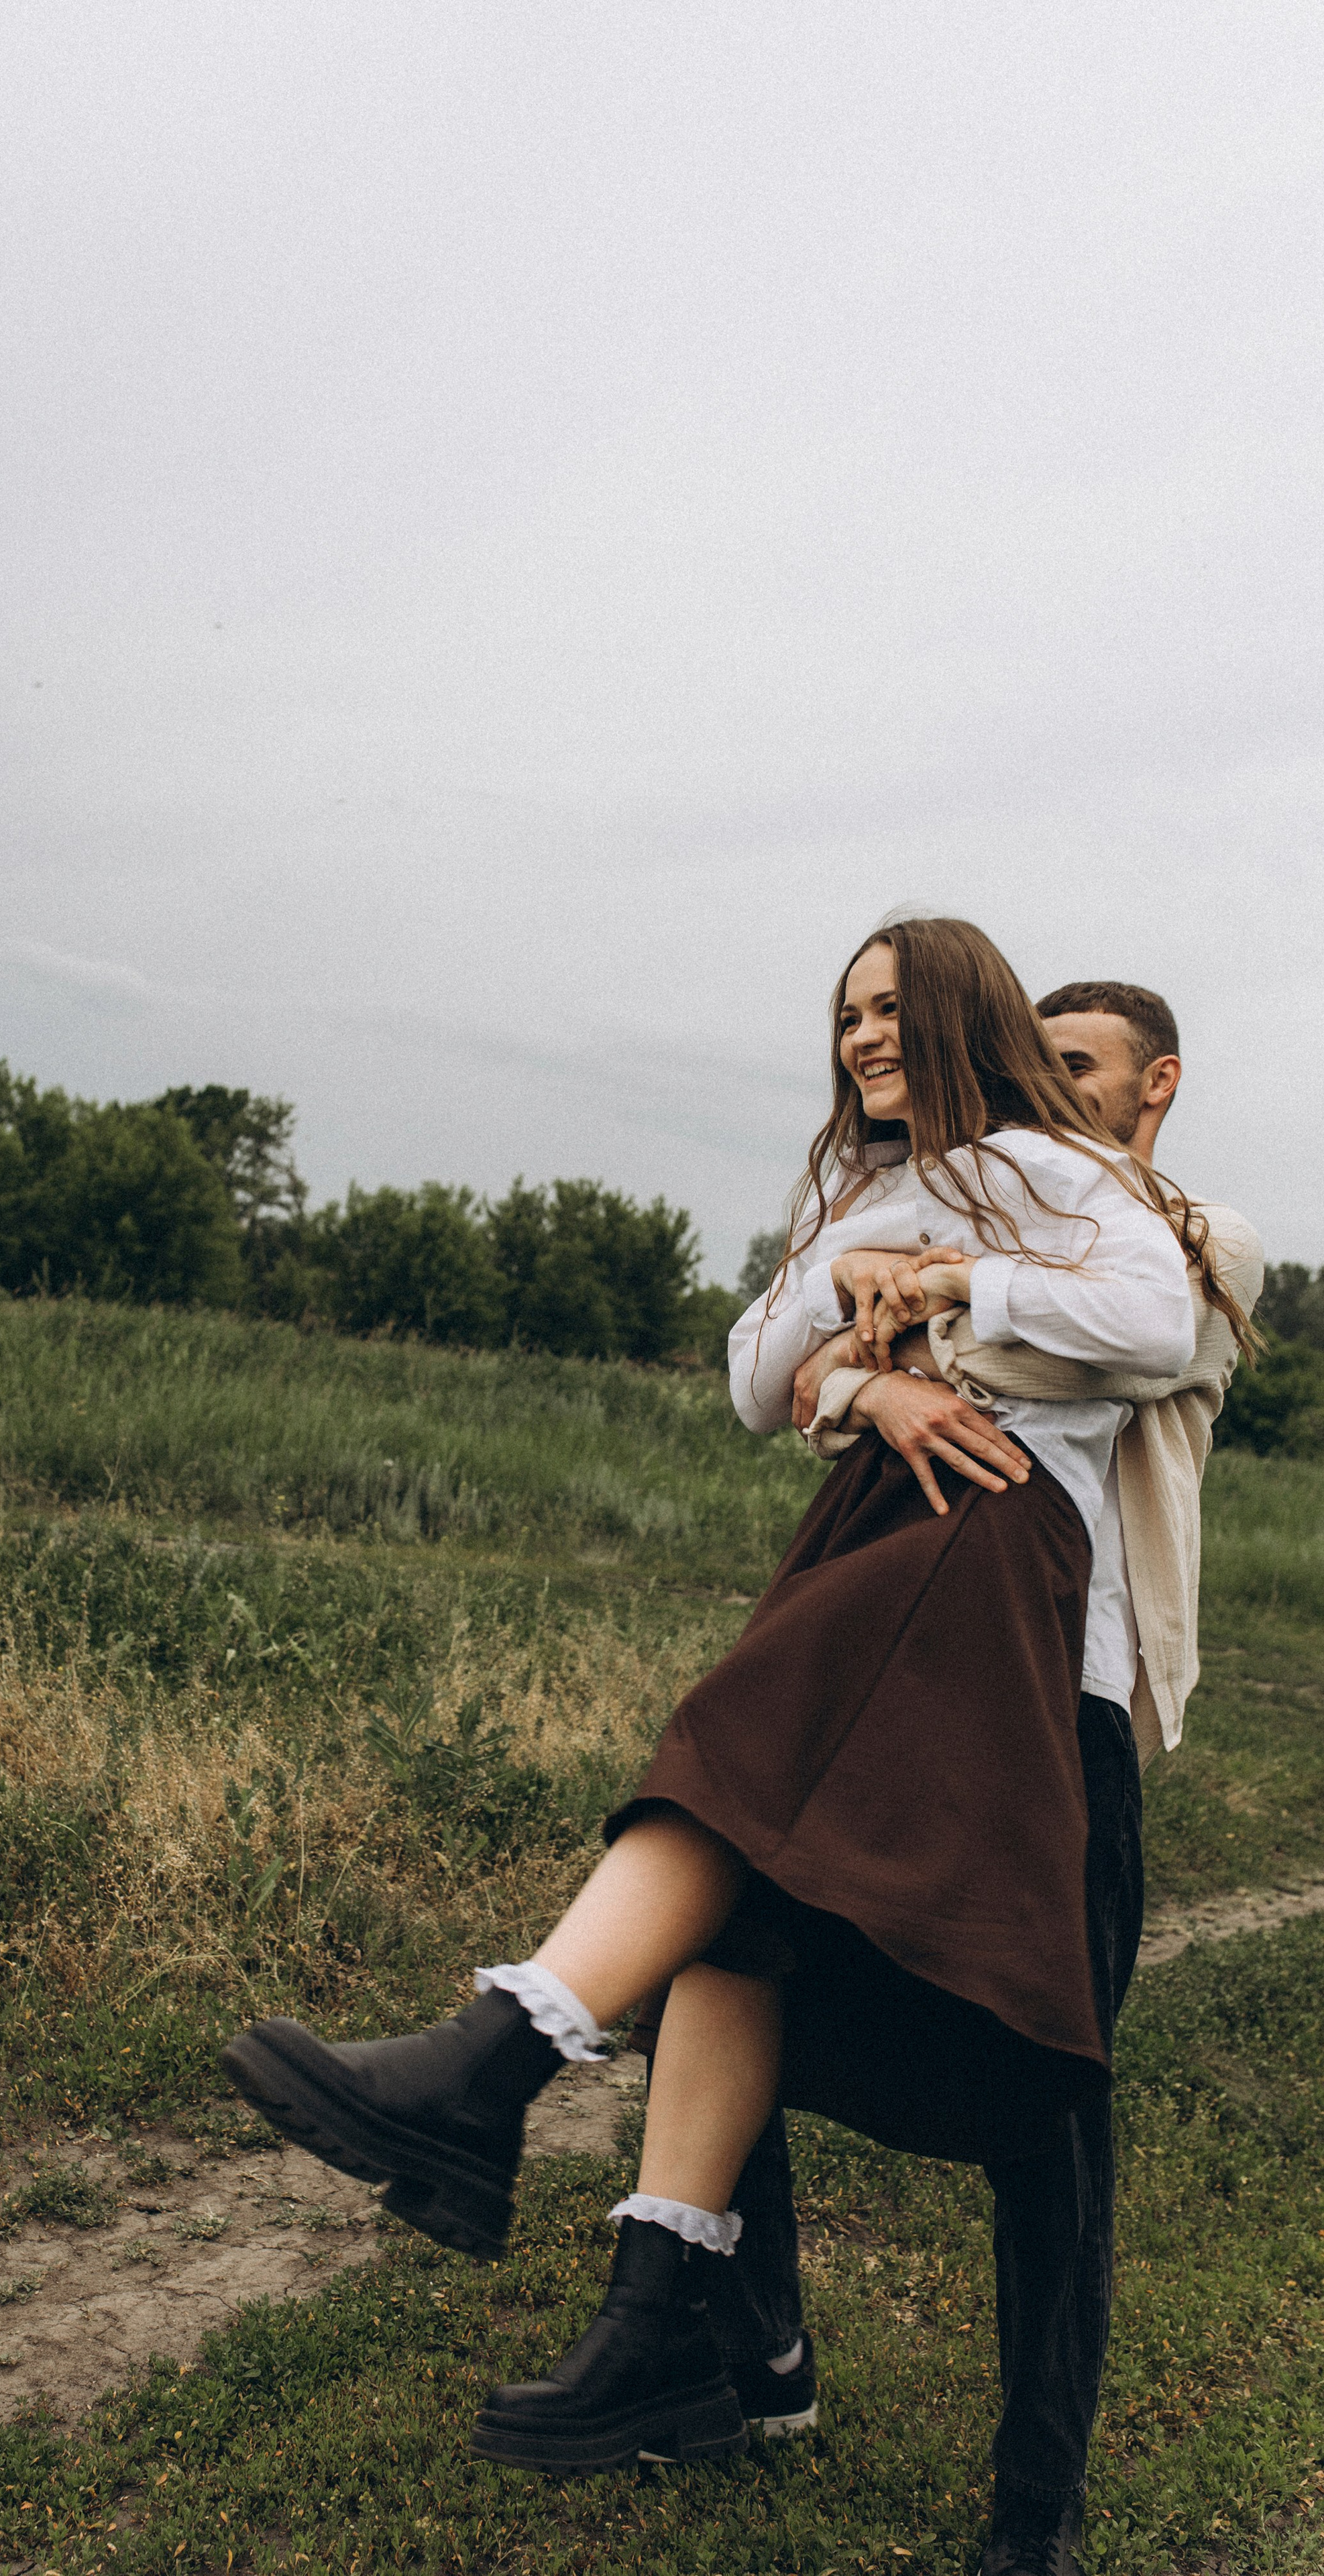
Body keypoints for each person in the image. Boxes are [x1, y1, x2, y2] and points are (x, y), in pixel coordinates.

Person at [219, 919, 1238, 2516]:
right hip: (876, 1529)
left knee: (739, 1791)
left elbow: (1154, 1329)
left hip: (996, 1573)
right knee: (733, 1892)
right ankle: (665, 2316)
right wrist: (855, 1348)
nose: (863, 1039)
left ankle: (494, 2067)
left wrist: (946, 1286)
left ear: (968, 1015)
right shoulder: (857, 1182)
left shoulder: (1054, 1169)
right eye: (844, 1017)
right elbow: (753, 1379)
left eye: (894, 1009)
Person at [708, 973, 1262, 2576]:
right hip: (909, 1674)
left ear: (1149, 1087)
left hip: (1066, 1696)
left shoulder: (1195, 1244)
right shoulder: (976, 1206)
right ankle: (756, 2357)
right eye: (1022, 1066)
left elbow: (1055, 1361)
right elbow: (791, 1374)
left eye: (1066, 1069)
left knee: (1050, 2109)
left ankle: (1038, 2501)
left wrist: (903, 1303)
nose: (1034, 1098)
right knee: (719, 1960)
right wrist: (856, 1369)